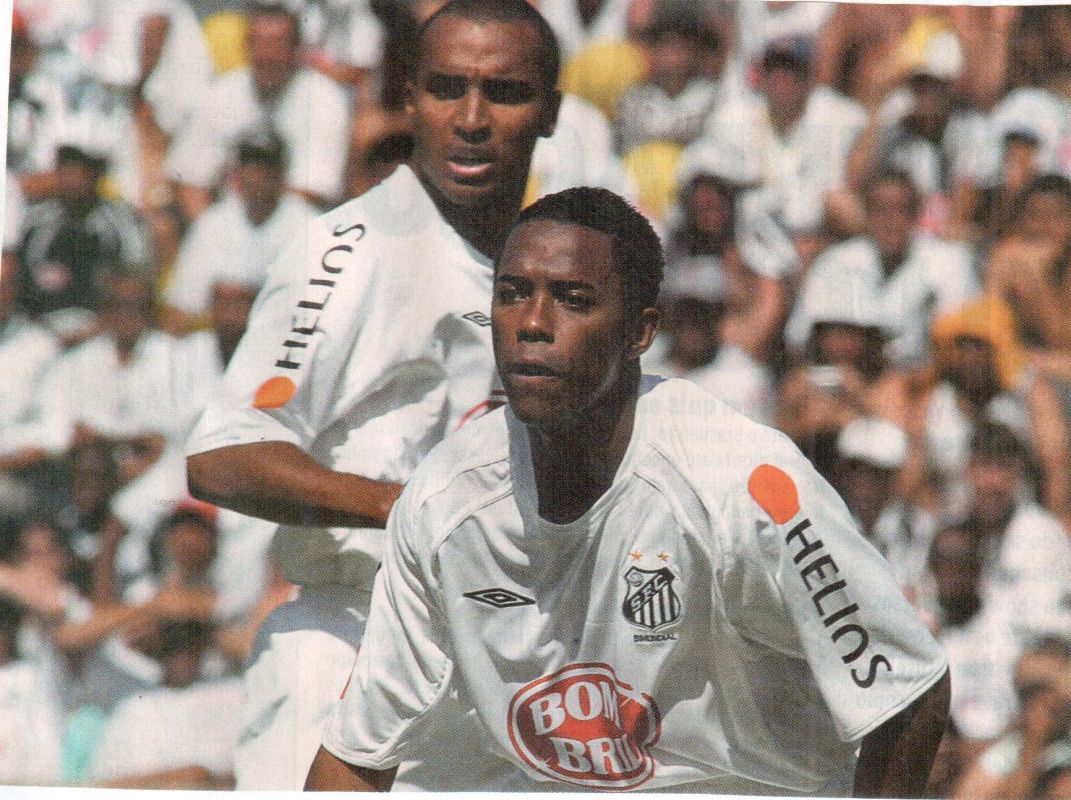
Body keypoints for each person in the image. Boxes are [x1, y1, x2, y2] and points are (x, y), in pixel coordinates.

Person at [308, 187, 950, 795]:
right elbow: (358, 753)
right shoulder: (443, 499)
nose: (533, 322)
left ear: (640, 332)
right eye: (512, 294)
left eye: (572, 299)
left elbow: (909, 691)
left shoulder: (741, 484)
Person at [185, 0, 561, 789]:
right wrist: (402, 505)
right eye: (446, 87)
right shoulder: (347, 249)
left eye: (503, 93)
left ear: (550, 112)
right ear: (408, 99)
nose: (470, 119)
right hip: (346, 643)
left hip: (492, 671)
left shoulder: (547, 273)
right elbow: (224, 454)